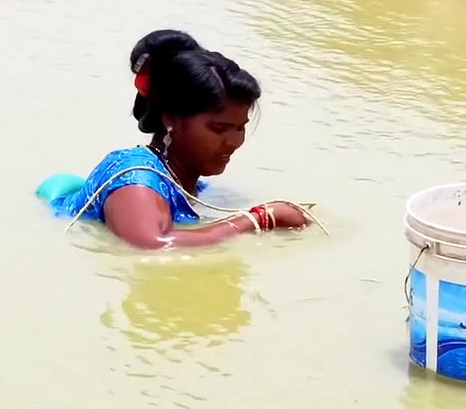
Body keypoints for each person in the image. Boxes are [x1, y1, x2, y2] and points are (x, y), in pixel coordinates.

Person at [47, 30, 313, 250]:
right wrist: (257, 220)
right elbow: (151, 246)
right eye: (219, 128)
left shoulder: (193, 184)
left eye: (240, 128)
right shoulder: (135, 181)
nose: (233, 141)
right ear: (171, 119)